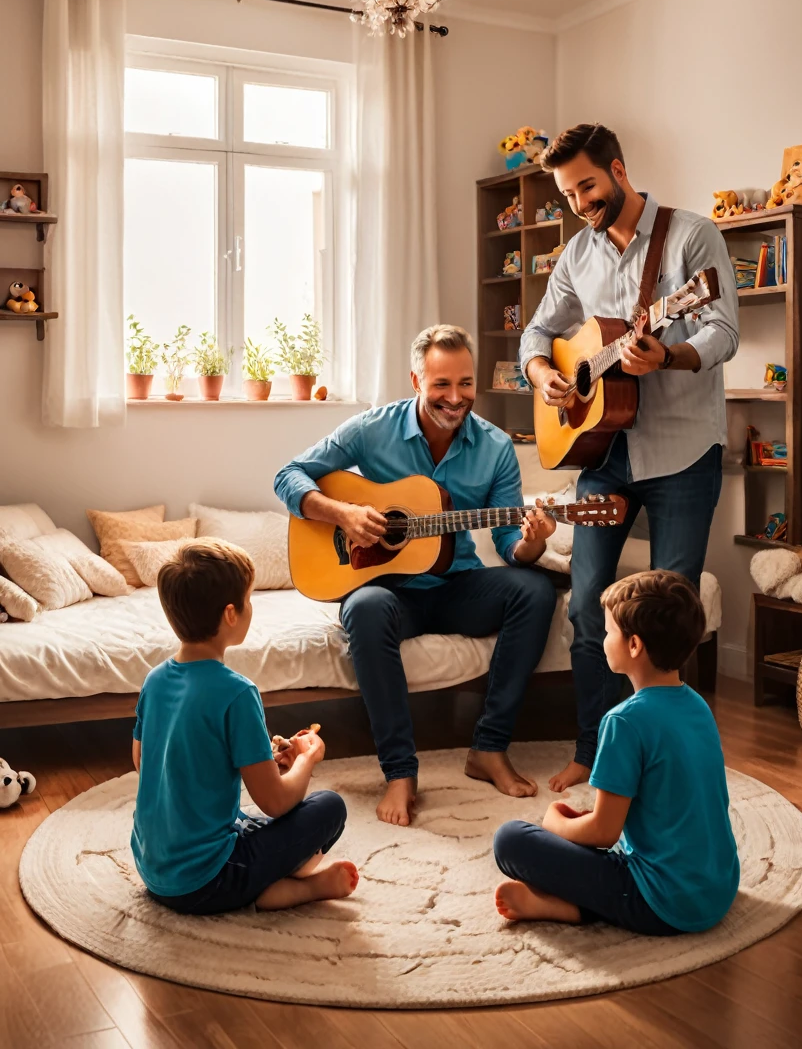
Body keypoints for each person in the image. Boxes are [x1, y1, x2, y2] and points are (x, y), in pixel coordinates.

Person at [520, 123, 739, 793]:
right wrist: (542, 374)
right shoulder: (576, 256)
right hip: (602, 451)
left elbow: (723, 328)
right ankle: (594, 752)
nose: (580, 201)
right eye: (567, 193)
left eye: (587, 184)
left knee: (666, 616)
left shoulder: (692, 235)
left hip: (681, 451)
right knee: (588, 607)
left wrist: (667, 353)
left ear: (617, 169)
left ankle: (664, 760)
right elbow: (537, 330)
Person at [275, 324, 558, 828]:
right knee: (363, 609)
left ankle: (489, 748)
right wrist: (342, 514)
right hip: (388, 589)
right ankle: (400, 773)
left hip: (457, 584)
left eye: (466, 384)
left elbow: (509, 545)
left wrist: (533, 542)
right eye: (441, 385)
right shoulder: (371, 428)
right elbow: (288, 475)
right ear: (415, 380)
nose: (456, 398)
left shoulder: (494, 448)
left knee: (535, 590)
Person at [493, 570, 740, 935]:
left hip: (665, 903)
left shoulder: (623, 721)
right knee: (589, 841)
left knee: (510, 839)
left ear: (634, 645)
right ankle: (568, 902)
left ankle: (568, 907)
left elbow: (603, 833)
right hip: (719, 888)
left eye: (609, 631)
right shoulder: (697, 705)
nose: (604, 638)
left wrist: (555, 823)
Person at [131, 539, 359, 914]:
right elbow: (275, 801)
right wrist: (307, 760)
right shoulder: (237, 692)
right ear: (231, 615)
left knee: (244, 820)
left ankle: (273, 878)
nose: (252, 607)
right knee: (329, 806)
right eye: (249, 599)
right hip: (207, 882)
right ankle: (283, 888)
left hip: (154, 871)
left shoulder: (154, 679)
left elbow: (144, 761)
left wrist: (266, 762)